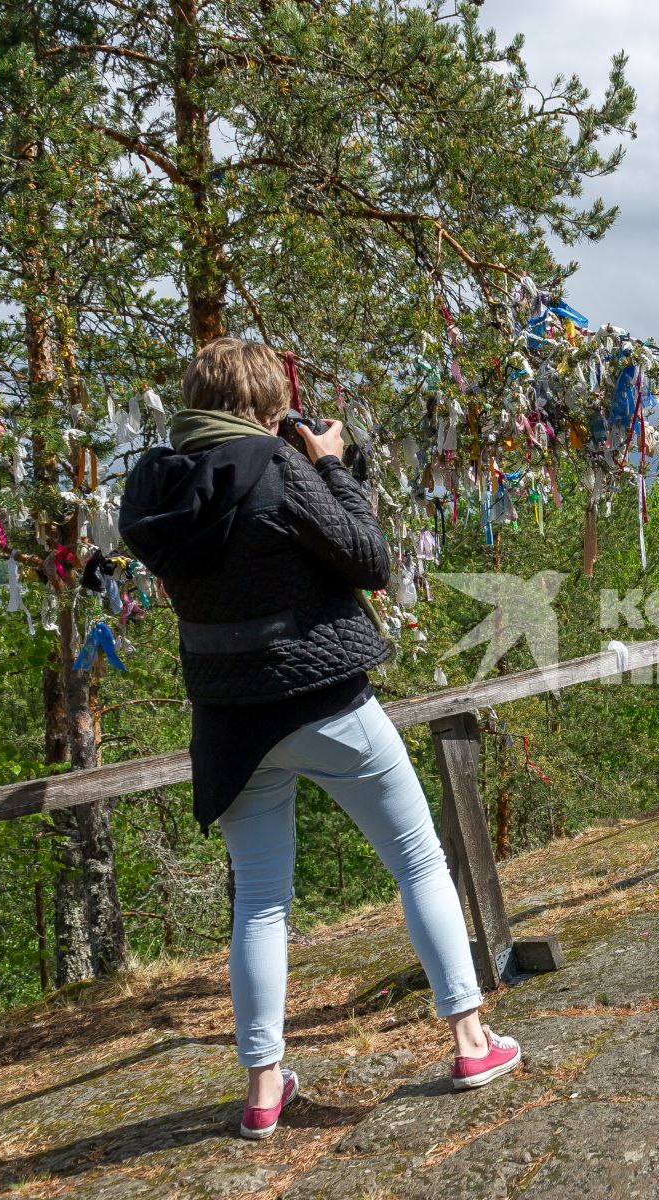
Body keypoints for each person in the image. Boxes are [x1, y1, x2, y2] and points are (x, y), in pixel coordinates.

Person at [120, 337, 520, 1139]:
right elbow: (368, 559)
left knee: (261, 902)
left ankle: (265, 1088)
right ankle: (472, 1042)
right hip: (326, 702)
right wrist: (331, 463)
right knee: (417, 859)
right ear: (265, 408)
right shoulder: (274, 464)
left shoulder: (158, 489)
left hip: (230, 724)